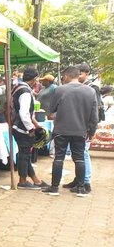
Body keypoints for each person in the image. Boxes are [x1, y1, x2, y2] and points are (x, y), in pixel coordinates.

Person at [43, 65, 98, 197]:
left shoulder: (60, 90)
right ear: (78, 75)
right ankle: (81, 188)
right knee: (79, 158)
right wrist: (91, 131)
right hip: (80, 130)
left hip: (61, 129)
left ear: (66, 76)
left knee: (59, 158)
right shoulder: (90, 91)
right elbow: (94, 116)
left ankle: (54, 188)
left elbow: (51, 113)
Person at [11, 67, 48, 190]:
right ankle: (22, 181)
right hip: (22, 128)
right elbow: (24, 113)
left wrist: (36, 125)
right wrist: (31, 129)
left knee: (25, 154)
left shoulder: (17, 87)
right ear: (34, 79)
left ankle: (35, 180)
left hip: (17, 126)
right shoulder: (26, 91)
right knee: (24, 155)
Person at [77, 63, 100, 191]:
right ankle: (79, 179)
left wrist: (92, 129)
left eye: (80, 73)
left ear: (87, 73)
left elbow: (94, 111)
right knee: (79, 154)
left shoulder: (92, 88)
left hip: (86, 127)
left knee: (84, 153)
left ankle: (86, 181)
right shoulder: (81, 87)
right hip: (79, 126)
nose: (78, 76)